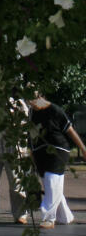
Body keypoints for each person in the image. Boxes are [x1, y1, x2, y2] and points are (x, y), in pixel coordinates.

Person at [28, 93, 86, 228]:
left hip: (58, 149)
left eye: (33, 96)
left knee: (51, 180)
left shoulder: (54, 109)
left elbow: (70, 129)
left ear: (40, 95)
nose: (31, 101)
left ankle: (48, 218)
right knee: (51, 186)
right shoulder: (31, 114)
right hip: (40, 152)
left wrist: (83, 148)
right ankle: (65, 216)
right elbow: (31, 136)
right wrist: (31, 156)